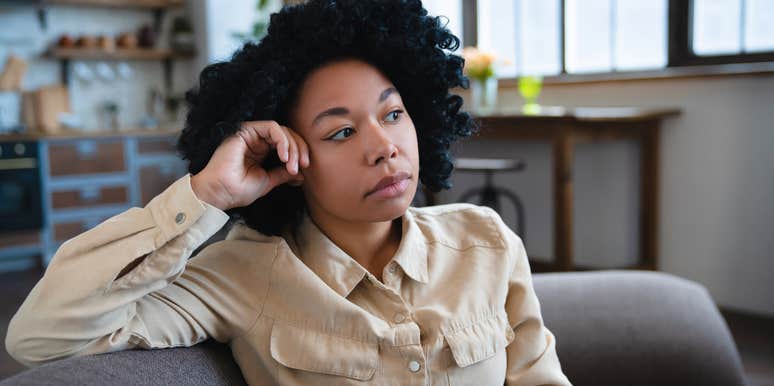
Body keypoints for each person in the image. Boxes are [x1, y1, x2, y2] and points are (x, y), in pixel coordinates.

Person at [6, 1, 571, 384]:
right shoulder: (242, 276)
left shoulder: (486, 241)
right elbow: (42, 337)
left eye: (393, 114)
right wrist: (206, 194)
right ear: (290, 158)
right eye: (341, 132)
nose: (385, 147)